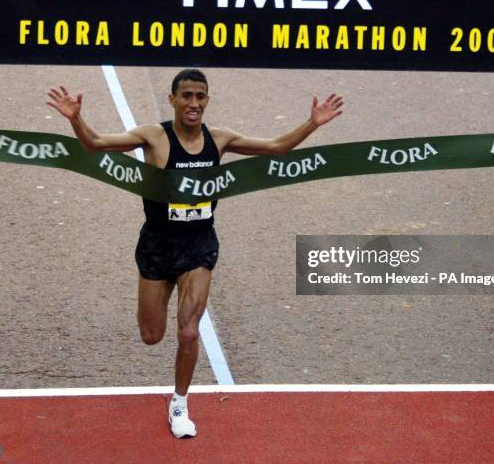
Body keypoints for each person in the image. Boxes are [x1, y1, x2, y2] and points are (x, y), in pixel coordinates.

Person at [47, 69, 344, 438]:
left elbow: (275, 148)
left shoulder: (218, 139)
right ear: (172, 100)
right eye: (186, 95)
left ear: (207, 100)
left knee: (188, 332)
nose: (193, 103)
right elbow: (95, 143)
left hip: (198, 246)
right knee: (151, 335)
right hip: (157, 245)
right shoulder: (153, 137)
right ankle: (160, 312)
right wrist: (76, 118)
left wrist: (312, 123)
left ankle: (179, 403)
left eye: (200, 96)